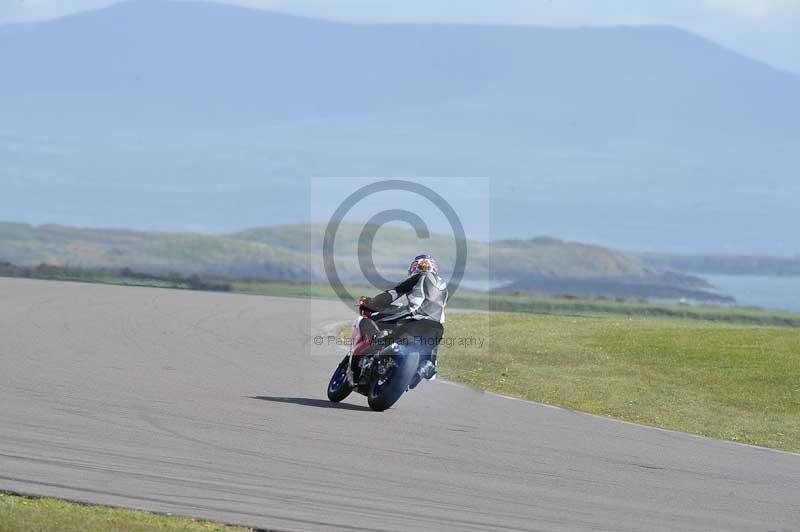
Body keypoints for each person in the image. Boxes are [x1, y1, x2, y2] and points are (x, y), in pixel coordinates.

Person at [356, 254, 448, 388]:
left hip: (414, 317)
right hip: (437, 328)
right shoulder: (444, 287)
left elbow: (391, 295)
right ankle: (424, 367)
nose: (423, 268)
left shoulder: (418, 277)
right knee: (430, 357)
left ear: (414, 267)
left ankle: (374, 348)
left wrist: (369, 303)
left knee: (371, 320)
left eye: (421, 266)